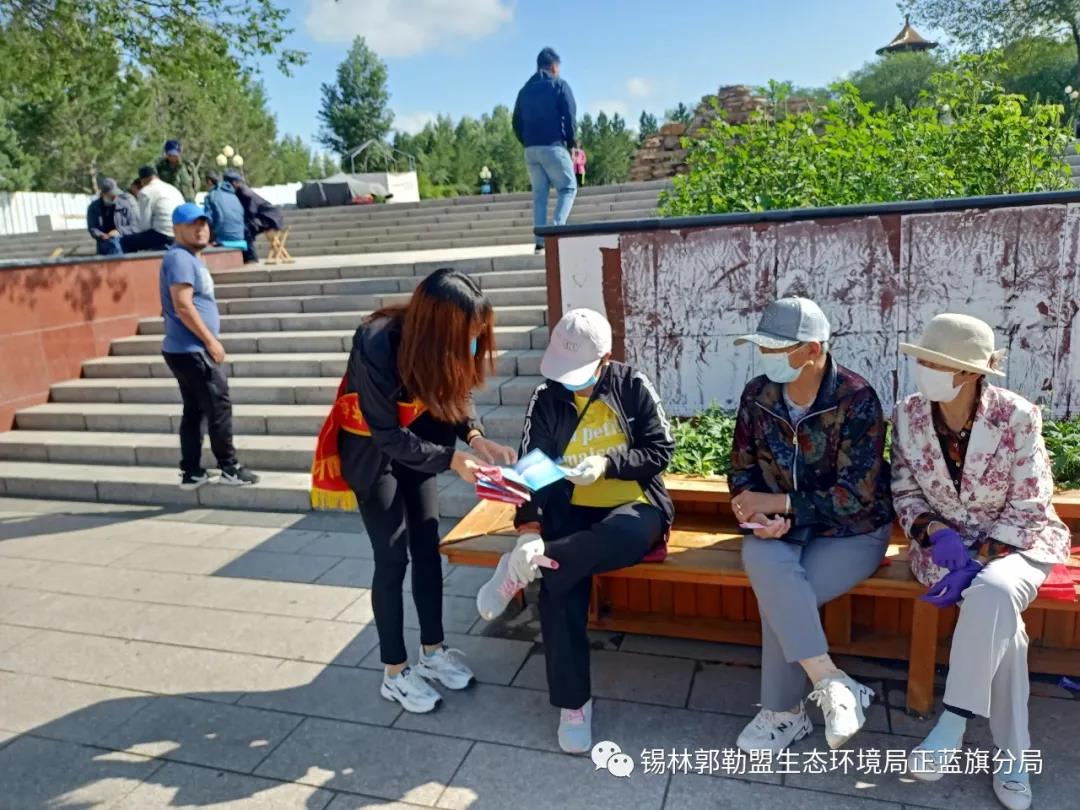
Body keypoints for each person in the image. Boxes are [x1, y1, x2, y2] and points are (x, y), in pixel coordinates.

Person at [310, 268, 516, 714]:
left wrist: (476, 437)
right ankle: (395, 672)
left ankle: (433, 652)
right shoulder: (377, 341)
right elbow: (385, 433)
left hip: (421, 444)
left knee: (426, 547)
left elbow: (458, 388)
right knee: (391, 558)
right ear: (439, 325)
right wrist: (453, 460)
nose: (473, 343)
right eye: (468, 334)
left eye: (477, 334)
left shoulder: (448, 342)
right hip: (374, 452)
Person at [475, 308, 675, 753]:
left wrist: (607, 464)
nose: (568, 380)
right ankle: (573, 704)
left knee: (619, 539)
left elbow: (661, 449)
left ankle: (524, 569)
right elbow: (532, 467)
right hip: (569, 509)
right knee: (559, 588)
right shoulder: (547, 396)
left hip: (631, 504)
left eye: (578, 370)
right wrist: (528, 530)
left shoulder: (631, 385)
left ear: (604, 360)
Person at [892, 314, 1070, 810]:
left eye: (936, 363)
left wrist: (982, 559)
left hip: (1019, 545)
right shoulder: (907, 414)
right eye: (923, 360)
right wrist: (935, 532)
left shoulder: (1017, 416)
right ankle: (1014, 756)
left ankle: (953, 720)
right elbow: (903, 489)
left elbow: (1031, 506)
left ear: (970, 372)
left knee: (994, 589)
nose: (924, 370)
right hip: (944, 551)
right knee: (1002, 620)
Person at [728, 297, 894, 755]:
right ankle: (833, 682)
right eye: (763, 346)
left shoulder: (856, 400)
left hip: (852, 532)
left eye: (775, 348)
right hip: (777, 530)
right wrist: (754, 512)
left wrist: (783, 503)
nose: (765, 356)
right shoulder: (758, 395)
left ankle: (784, 714)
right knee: (776, 580)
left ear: (813, 350)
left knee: (781, 598)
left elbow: (856, 496)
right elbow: (741, 470)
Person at [159, 202, 260, 490]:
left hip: (184, 349)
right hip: (193, 350)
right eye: (192, 224)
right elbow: (182, 305)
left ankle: (192, 471)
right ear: (177, 229)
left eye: (203, 223)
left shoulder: (186, 258)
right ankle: (229, 467)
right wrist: (209, 341)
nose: (200, 229)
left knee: (195, 410)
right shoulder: (180, 258)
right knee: (218, 407)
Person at [513, 47, 578, 255]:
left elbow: (515, 122)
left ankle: (540, 243)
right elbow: (570, 115)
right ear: (554, 66)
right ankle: (556, 234)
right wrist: (572, 143)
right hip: (553, 145)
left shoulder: (524, 91)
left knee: (540, 195)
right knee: (568, 188)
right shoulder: (559, 85)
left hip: (531, 150)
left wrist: (527, 142)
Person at [225, 170, 284, 264]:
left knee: (246, 229)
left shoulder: (245, 193)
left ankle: (251, 257)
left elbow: (251, 211)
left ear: (234, 183)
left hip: (270, 219)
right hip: (263, 217)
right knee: (244, 227)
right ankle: (246, 255)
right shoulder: (239, 192)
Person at [121, 166, 184, 253]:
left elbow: (144, 225)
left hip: (163, 234)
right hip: (180, 232)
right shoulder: (172, 188)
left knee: (125, 241)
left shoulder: (145, 191)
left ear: (142, 180)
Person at [86, 178, 136, 256]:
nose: (114, 196)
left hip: (125, 244)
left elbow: (134, 225)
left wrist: (119, 231)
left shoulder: (125, 204)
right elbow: (92, 228)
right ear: (103, 193)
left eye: (116, 194)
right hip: (104, 246)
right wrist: (102, 235)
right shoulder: (93, 207)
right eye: (111, 194)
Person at [202, 172, 248, 252]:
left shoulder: (211, 196)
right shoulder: (233, 195)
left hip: (223, 239)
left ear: (209, 182)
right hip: (240, 237)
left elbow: (208, 220)